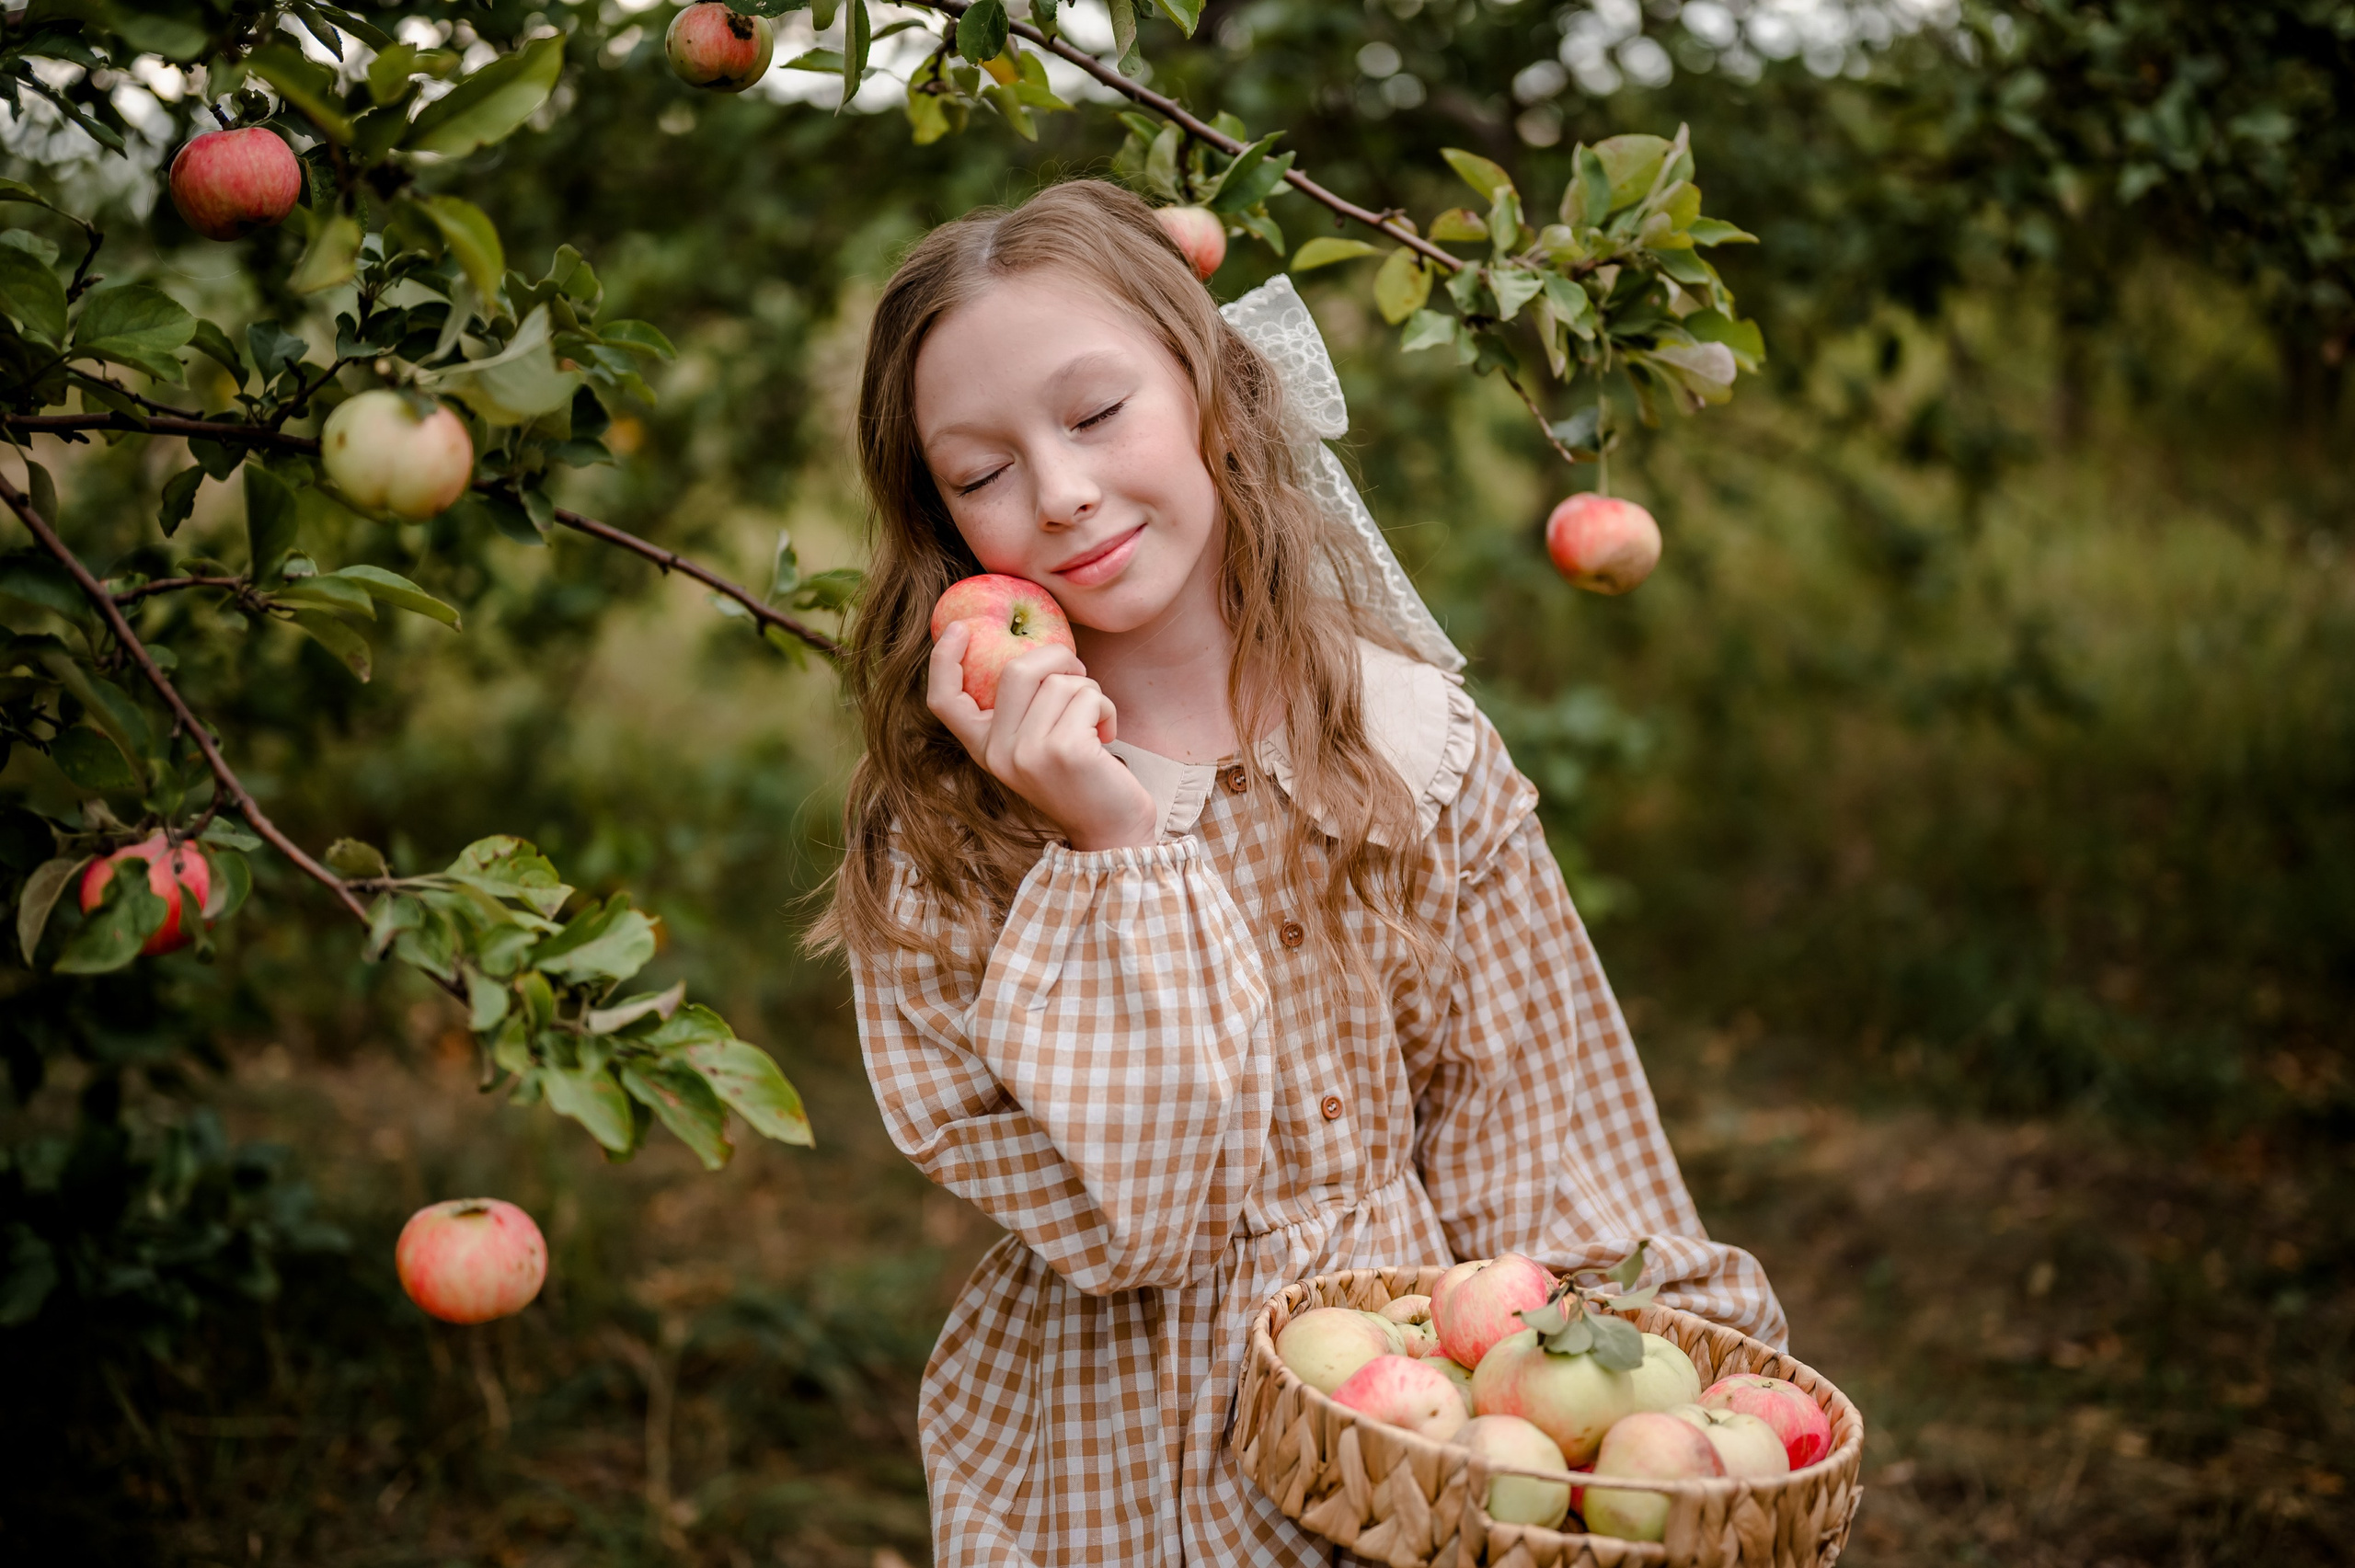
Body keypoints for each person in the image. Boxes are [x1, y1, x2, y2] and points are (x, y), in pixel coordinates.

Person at [814, 179, 1784, 1567]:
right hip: (1113, 1464)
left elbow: (1544, 1145)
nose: (1062, 492)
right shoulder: (950, 832)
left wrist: (1668, 1420)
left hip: (1412, 1437)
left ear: (1215, 390)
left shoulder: (1412, 751)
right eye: (981, 475)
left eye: (1097, 413)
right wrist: (1115, 844)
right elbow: (1148, 1223)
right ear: (943, 521)